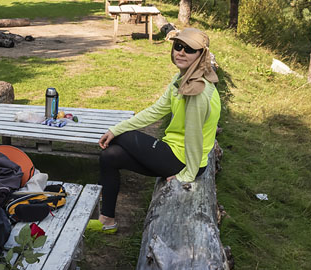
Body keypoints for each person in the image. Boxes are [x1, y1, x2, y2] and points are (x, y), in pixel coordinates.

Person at [89, 28, 221, 234]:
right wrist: (114, 129)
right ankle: (107, 220)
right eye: (178, 46)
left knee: (125, 137)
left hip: (184, 160)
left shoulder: (198, 91)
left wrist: (187, 175)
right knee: (110, 155)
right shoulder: (183, 79)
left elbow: (195, 137)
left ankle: (102, 212)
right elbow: (156, 110)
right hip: (174, 152)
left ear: (201, 55)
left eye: (189, 49)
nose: (181, 52)